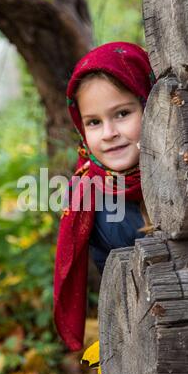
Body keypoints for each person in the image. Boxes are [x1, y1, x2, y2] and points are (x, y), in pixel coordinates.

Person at [53, 41, 156, 352]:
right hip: (148, 337)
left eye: (122, 113)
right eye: (94, 122)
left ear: (151, 104)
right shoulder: (90, 199)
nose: (109, 133)